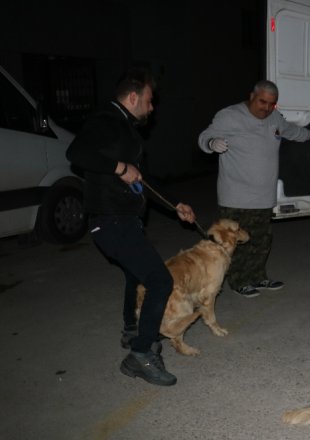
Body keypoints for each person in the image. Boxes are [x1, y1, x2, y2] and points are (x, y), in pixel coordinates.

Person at [66, 68, 196, 386]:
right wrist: (119, 167)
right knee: (160, 280)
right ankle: (141, 354)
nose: (152, 109)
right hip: (111, 220)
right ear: (133, 96)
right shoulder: (106, 120)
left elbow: (146, 180)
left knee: (135, 274)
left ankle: (131, 328)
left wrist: (175, 204)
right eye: (150, 102)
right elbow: (77, 152)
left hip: (125, 220)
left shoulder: (124, 127)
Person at [198, 80, 310, 298]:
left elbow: (291, 131)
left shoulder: (274, 117)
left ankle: (257, 276)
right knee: (234, 243)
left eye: (271, 104)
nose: (266, 108)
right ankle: (238, 281)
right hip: (235, 196)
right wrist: (211, 144)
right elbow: (204, 136)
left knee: (261, 241)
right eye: (262, 102)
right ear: (251, 96)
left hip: (263, 196)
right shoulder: (230, 116)